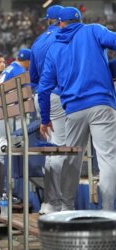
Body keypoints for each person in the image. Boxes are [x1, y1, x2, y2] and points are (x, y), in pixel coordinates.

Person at [38, 7, 116, 211]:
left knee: (72, 158)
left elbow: (44, 88)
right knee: (107, 158)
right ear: (79, 20)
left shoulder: (54, 48)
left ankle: (66, 207)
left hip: (73, 109)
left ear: (61, 23)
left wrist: (45, 119)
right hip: (101, 103)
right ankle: (108, 211)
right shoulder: (93, 30)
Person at [30, 5, 65, 214]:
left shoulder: (38, 41)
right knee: (60, 149)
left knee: (53, 150)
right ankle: (55, 203)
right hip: (58, 95)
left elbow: (33, 77)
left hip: (41, 96)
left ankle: (50, 202)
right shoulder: (66, 36)